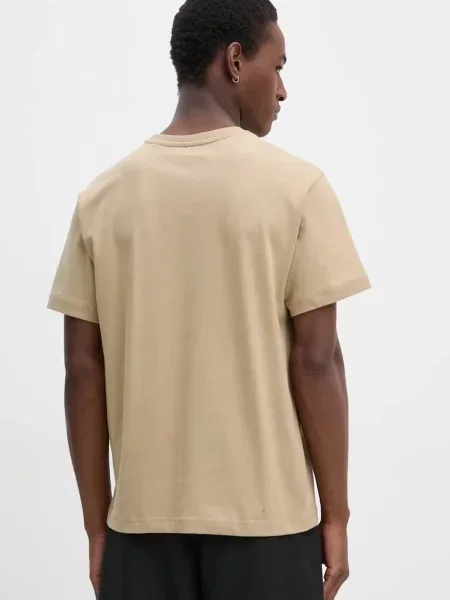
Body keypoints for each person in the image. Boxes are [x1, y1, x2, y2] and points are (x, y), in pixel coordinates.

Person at [48, 1, 371, 599]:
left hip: (141, 534)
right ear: (235, 60)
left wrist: (97, 526)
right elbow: (317, 361)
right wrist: (336, 516)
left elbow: (82, 370)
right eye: (278, 66)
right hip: (270, 532)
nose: (283, 89)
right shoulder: (296, 188)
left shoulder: (101, 200)